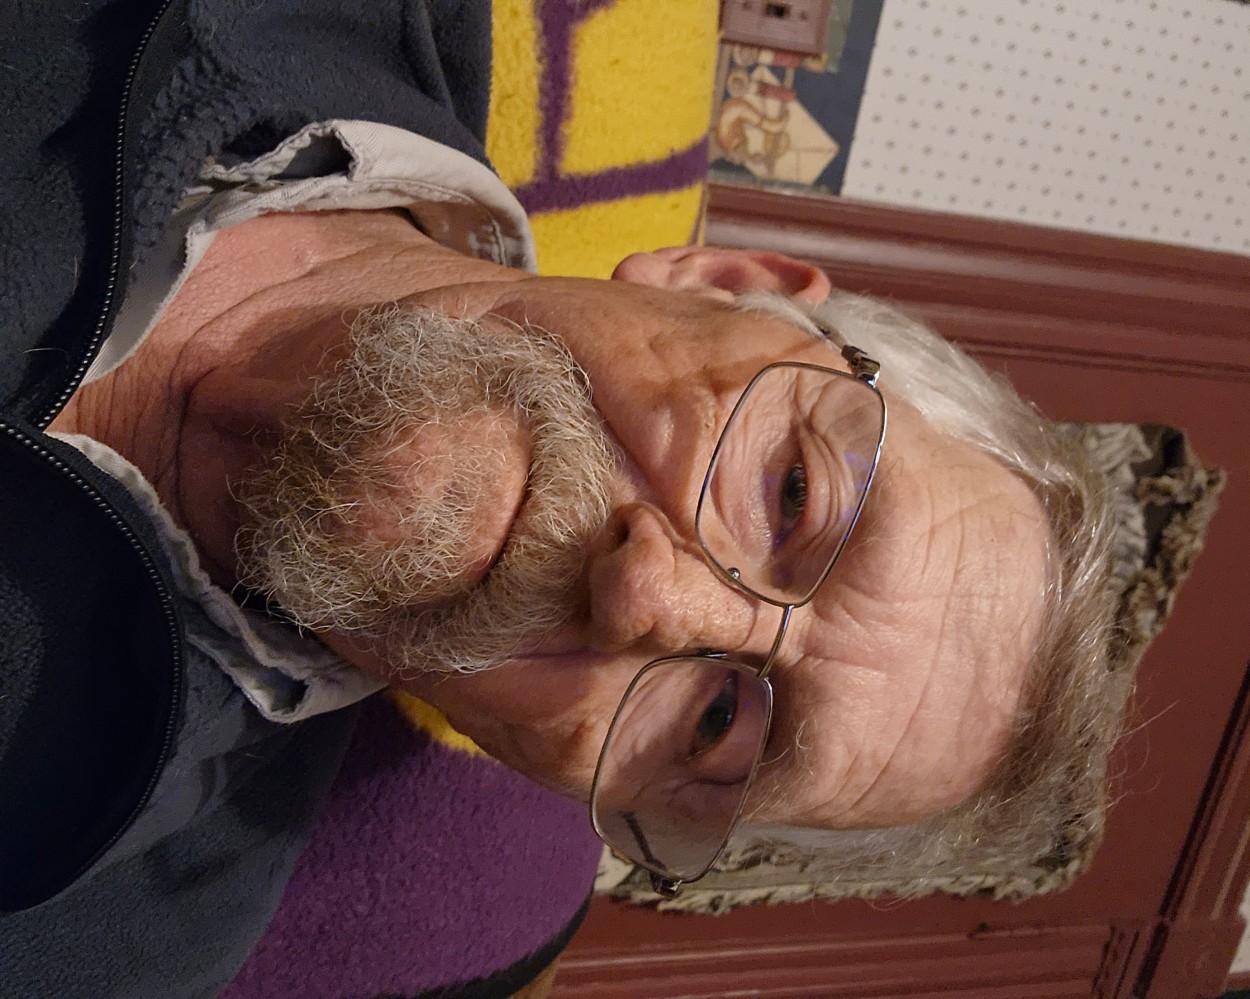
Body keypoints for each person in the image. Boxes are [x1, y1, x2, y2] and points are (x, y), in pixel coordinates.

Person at [0, 0, 1120, 995]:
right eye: (790, 495)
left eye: (720, 722)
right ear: (724, 283)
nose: (648, 596)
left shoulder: (113, 938)